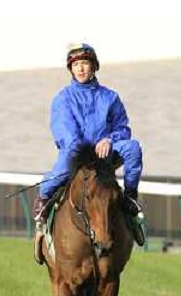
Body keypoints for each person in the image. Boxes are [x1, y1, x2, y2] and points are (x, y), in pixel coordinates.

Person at [33, 43, 145, 264]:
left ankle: (130, 199)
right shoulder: (63, 99)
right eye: (76, 65)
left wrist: (109, 140)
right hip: (78, 154)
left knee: (133, 147)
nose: (81, 69)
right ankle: (43, 201)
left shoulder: (110, 97)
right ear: (71, 69)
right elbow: (63, 131)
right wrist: (85, 147)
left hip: (106, 152)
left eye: (85, 63)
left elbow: (122, 128)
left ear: (94, 67)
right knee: (65, 160)